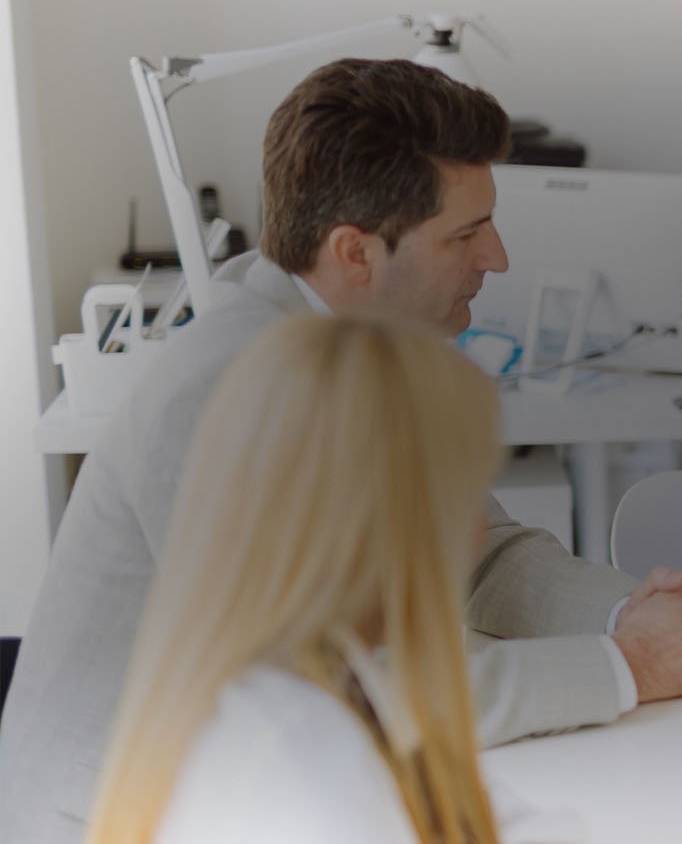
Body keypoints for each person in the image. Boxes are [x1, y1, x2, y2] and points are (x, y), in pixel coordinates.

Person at [0, 59, 682, 843]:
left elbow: (483, 553)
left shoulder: (361, 348)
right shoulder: (227, 386)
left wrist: (635, 613)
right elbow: (343, 691)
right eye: (466, 233)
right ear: (355, 252)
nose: (496, 258)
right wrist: (625, 665)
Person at [87, 316, 555, 843]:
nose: (478, 530)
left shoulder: (278, 689)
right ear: (383, 522)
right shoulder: (305, 760)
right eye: (466, 492)